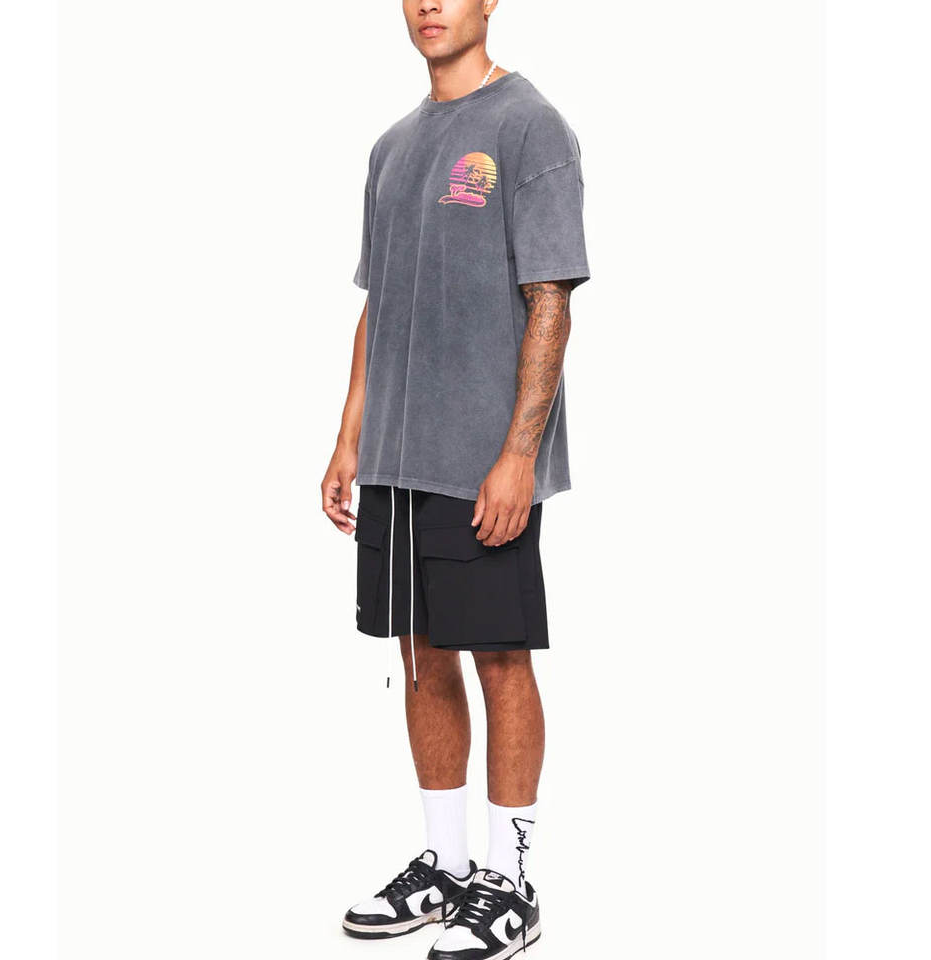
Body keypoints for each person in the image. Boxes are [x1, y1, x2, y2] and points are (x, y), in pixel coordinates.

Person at [321, 2, 590, 956]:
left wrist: (518, 454)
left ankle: (511, 885)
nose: (429, 4)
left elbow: (550, 299)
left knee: (499, 658)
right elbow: (377, 302)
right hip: (396, 460)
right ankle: (445, 864)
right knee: (420, 655)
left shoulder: (531, 126)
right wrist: (349, 437)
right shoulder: (392, 147)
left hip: (481, 461)